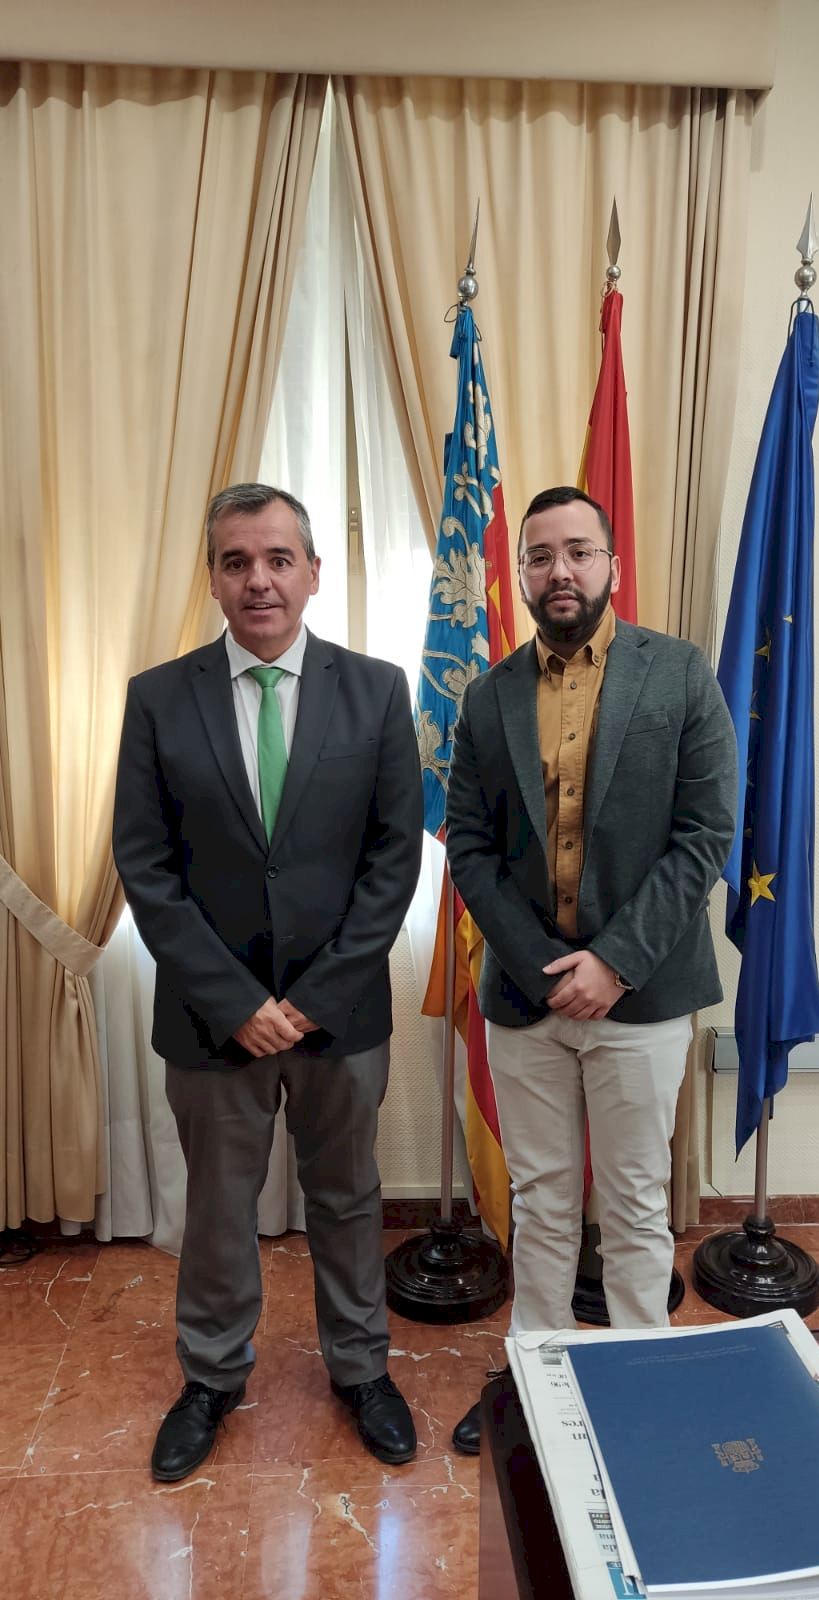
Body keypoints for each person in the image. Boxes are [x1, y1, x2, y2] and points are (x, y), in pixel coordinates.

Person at [113, 483, 423, 1481]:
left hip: (342, 1014)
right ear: (212, 577)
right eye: (237, 561)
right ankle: (211, 1377)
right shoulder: (158, 697)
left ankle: (361, 1369)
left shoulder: (377, 690)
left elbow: (393, 860)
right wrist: (236, 1002)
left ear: (313, 573)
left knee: (348, 1196)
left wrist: (315, 997)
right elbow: (145, 865)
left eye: (279, 558)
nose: (259, 579)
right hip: (213, 1022)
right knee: (217, 1206)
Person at [445, 485, 737, 1454]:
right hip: (525, 1002)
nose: (559, 570)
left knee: (636, 1204)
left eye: (578, 551)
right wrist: (543, 969)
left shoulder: (680, 674)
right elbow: (469, 845)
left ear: (612, 563)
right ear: (521, 573)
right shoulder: (486, 697)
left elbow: (705, 836)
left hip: (642, 997)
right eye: (540, 556)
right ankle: (536, 1385)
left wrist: (612, 963)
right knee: (539, 1203)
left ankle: (642, 1395)